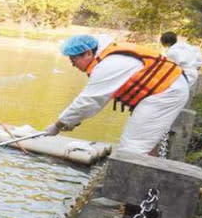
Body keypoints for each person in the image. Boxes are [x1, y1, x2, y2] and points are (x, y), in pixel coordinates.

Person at [44, 34, 190, 155]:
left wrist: (58, 125)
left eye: (73, 60)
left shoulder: (107, 65)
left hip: (166, 92)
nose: (72, 64)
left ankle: (131, 186)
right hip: (167, 88)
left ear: (88, 53)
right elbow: (94, 102)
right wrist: (72, 121)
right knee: (143, 140)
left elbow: (88, 101)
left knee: (132, 147)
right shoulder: (107, 58)